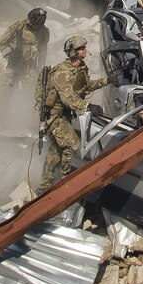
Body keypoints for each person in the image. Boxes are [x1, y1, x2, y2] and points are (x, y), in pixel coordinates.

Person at [36, 35, 108, 195]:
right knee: (72, 146)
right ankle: (65, 187)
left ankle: (44, 187)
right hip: (55, 117)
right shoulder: (63, 72)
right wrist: (87, 106)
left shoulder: (80, 68)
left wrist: (107, 81)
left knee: (56, 151)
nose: (85, 51)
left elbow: (87, 86)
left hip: (66, 116)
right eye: (82, 49)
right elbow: (67, 98)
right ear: (74, 52)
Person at [0, 8, 49, 85]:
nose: (36, 28)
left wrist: (40, 71)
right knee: (6, 88)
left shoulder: (44, 31)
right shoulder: (19, 26)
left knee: (29, 92)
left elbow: (43, 52)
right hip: (14, 64)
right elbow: (2, 43)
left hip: (30, 68)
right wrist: (10, 54)